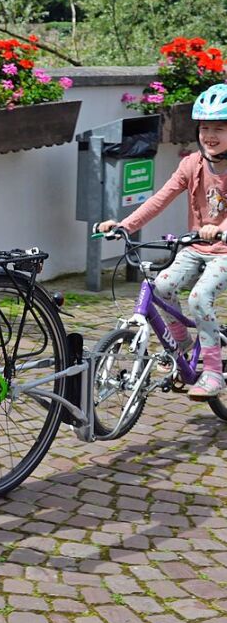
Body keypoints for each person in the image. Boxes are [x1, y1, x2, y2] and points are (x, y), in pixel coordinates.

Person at [98, 83, 227, 399]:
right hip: (195, 248)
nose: (210, 135)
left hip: (224, 252)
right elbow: (160, 199)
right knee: (161, 287)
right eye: (205, 127)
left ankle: (212, 371)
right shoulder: (191, 164)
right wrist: (125, 225)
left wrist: (221, 228)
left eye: (220, 128)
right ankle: (180, 341)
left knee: (199, 298)